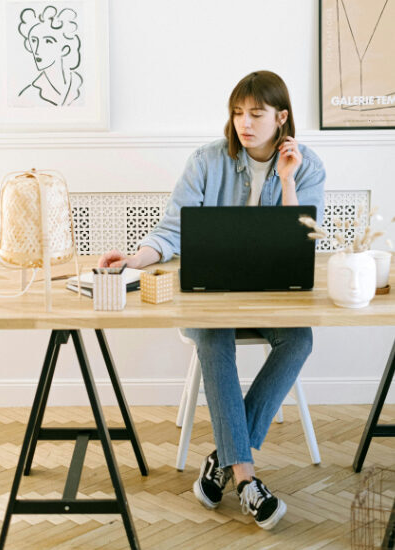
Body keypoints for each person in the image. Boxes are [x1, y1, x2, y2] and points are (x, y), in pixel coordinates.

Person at [98, 71, 325, 530]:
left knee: (299, 341)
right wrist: (134, 260)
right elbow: (172, 230)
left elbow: (300, 243)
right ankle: (245, 477)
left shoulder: (308, 164)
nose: (244, 122)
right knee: (212, 336)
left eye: (256, 114)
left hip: (272, 296)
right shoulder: (206, 160)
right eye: (238, 112)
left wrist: (288, 180)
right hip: (211, 293)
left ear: (281, 118)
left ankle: (222, 459)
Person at [17, 6, 83, 106]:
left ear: (65, 49)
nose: (37, 50)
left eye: (48, 41)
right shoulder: (29, 95)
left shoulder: (81, 85)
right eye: (34, 41)